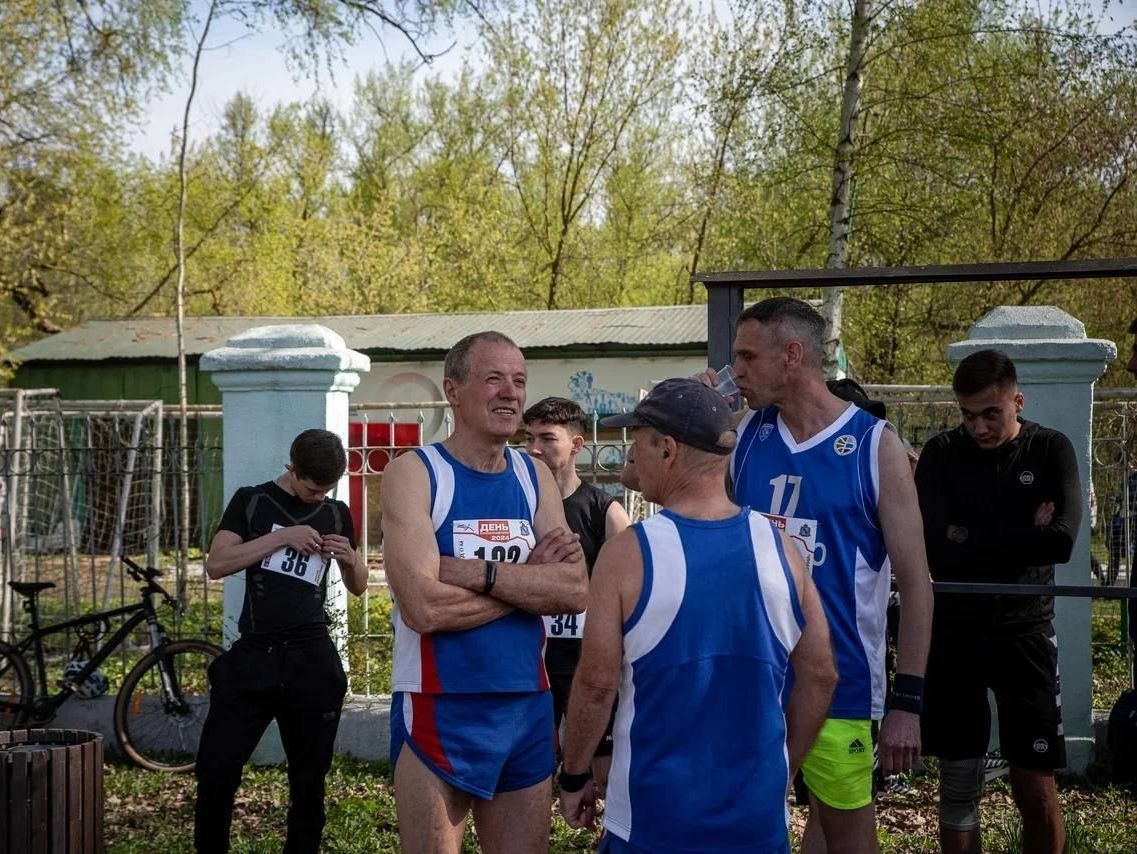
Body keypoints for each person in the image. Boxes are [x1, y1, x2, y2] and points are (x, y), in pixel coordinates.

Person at [558, 378, 837, 853]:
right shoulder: (782, 548)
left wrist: (574, 773)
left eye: (637, 442)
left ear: (667, 449)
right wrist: (785, 767)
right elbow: (822, 674)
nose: (630, 456)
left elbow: (597, 684)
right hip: (756, 819)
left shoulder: (629, 554)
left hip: (652, 820)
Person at [712, 297, 933, 854]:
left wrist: (907, 702)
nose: (734, 370)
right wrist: (697, 411)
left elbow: (918, 582)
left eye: (746, 356)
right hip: (755, 680)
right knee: (745, 826)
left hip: (842, 686)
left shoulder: (872, 446)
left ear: (792, 355)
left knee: (845, 838)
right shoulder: (744, 437)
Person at [379, 331, 588, 854]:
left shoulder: (534, 474)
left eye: (518, 381)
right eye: (493, 378)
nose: (509, 393)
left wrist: (478, 573)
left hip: (527, 706)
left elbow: (573, 588)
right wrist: (526, 584)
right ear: (452, 389)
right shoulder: (414, 473)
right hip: (438, 707)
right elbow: (423, 607)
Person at [916, 349, 1082, 854]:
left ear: (1018, 402)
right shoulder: (942, 453)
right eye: (968, 415)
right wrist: (1018, 530)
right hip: (956, 633)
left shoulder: (1050, 448)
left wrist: (967, 535)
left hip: (1025, 631)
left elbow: (1061, 541)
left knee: (1034, 785)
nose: (980, 427)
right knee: (960, 785)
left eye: (992, 413)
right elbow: (932, 544)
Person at [194, 429, 368, 854]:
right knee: (216, 772)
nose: (317, 497)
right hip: (255, 654)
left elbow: (360, 586)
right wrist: (280, 537)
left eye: (326, 489)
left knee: (309, 780)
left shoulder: (337, 512)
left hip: (311, 658)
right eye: (311, 488)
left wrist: (349, 558)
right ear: (292, 469)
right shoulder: (252, 501)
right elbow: (217, 564)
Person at [523, 396, 630, 790]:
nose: (534, 448)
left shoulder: (605, 511)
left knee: (604, 769)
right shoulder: (517, 505)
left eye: (547, 438)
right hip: (531, 655)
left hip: (589, 660)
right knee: (531, 772)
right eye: (528, 437)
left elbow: (627, 595)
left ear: (576, 445)